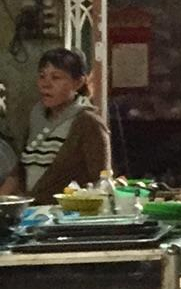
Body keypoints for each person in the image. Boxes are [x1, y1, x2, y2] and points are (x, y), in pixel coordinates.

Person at [14, 47, 111, 204]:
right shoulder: (37, 117)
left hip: (67, 213)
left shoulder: (88, 122)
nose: (46, 84)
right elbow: (19, 171)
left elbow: (102, 181)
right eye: (42, 76)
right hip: (32, 212)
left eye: (56, 77)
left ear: (78, 83)